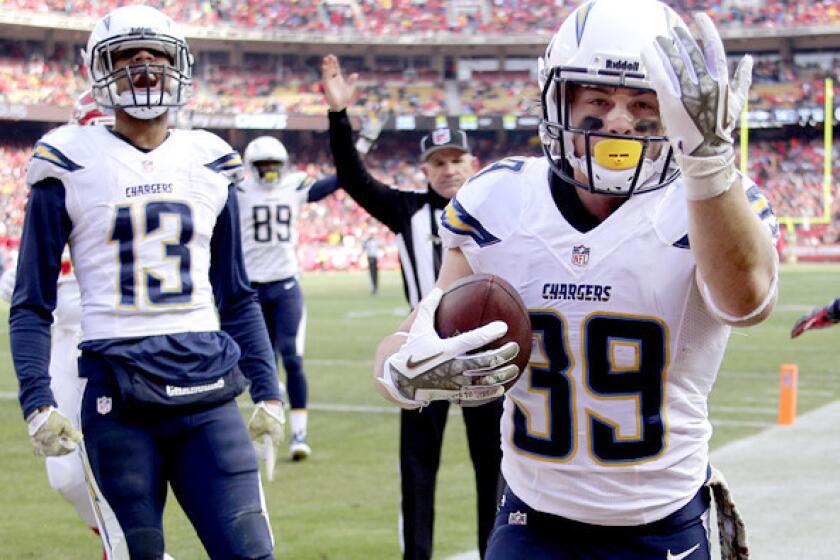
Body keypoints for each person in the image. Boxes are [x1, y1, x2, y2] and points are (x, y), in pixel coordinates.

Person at [372, 1, 779, 559]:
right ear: (558, 99)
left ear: (674, 114)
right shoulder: (500, 202)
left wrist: (710, 164)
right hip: (532, 519)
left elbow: (748, 303)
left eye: (643, 102)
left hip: (661, 521)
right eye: (598, 98)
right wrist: (401, 373)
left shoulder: (709, 205)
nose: (618, 120)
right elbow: (412, 332)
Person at [10, 6, 284, 559]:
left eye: (156, 55)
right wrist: (37, 399)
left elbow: (237, 296)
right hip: (117, 391)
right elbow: (31, 303)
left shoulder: (209, 160)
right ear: (101, 71)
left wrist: (269, 389)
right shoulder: (68, 160)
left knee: (251, 552)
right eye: (126, 57)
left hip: (207, 384)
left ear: (178, 67)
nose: (144, 66)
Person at [322, 54, 504, 560]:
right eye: (438, 163)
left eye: (455, 160)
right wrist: (340, 117)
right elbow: (354, 180)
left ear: (473, 164)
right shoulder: (405, 208)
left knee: (493, 468)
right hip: (422, 354)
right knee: (418, 471)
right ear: (424, 170)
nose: (448, 170)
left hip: (481, 353)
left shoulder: (498, 209)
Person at [238, 135, 339, 461]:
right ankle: (268, 424)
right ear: (251, 168)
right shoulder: (237, 192)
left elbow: (332, 184)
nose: (269, 172)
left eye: (273, 166)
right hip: (251, 290)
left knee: (292, 358)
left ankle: (299, 433)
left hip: (285, 286)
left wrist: (358, 148)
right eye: (262, 166)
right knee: (261, 365)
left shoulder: (294, 187)